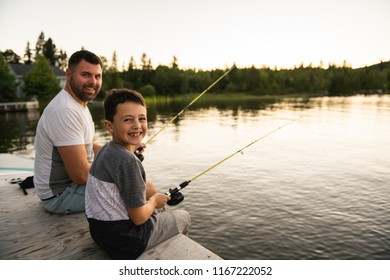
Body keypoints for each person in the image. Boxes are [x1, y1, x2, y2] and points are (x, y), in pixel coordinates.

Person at [85, 88, 191, 259]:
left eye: (142, 119)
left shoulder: (106, 150)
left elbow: (118, 167)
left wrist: (132, 150)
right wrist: (155, 200)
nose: (137, 125)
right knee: (184, 217)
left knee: (154, 207)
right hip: (127, 242)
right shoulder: (128, 162)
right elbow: (139, 219)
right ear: (109, 125)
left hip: (100, 233)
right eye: (128, 120)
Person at [34, 50, 103, 214]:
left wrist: (122, 152)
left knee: (130, 179)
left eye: (97, 76)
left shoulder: (79, 104)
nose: (93, 82)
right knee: (129, 190)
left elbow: (87, 145)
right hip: (60, 195)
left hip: (72, 187)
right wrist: (117, 168)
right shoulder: (64, 110)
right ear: (69, 74)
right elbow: (81, 175)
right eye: (86, 75)